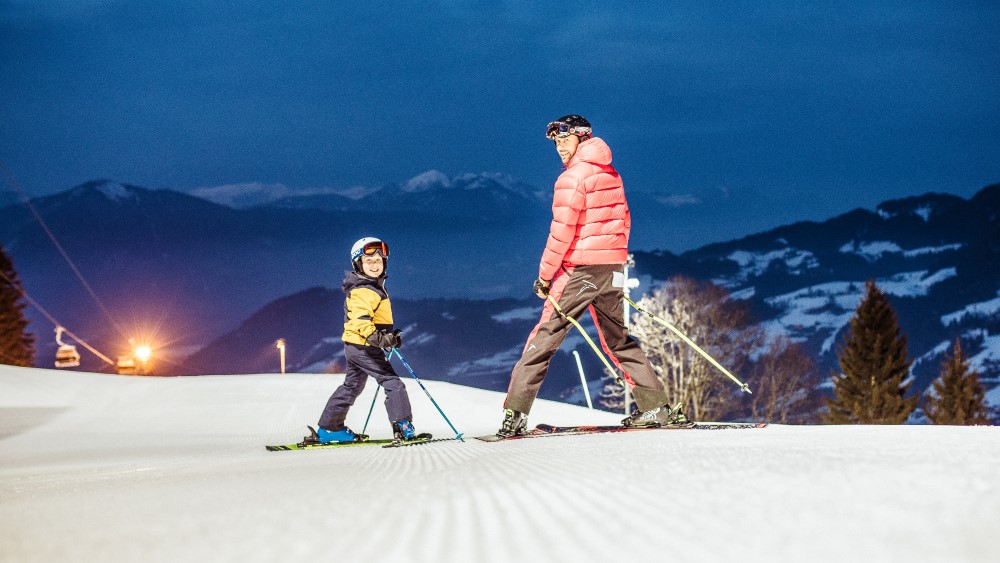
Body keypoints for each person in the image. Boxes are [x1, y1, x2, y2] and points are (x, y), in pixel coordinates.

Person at [497, 114, 690, 438]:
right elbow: (624, 220)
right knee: (618, 339)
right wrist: (614, 261)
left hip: (579, 271)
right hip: (612, 268)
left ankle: (514, 414)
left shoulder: (572, 178)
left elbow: (561, 234)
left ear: (582, 138)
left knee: (543, 340)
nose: (559, 147)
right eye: (555, 141)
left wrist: (544, 277)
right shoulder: (611, 174)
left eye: (564, 139)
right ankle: (655, 405)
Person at [308, 237, 423, 444]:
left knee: (352, 386)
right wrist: (381, 339)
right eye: (368, 261)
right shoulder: (364, 290)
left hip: (355, 346)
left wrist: (386, 337)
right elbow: (361, 322)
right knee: (392, 383)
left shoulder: (369, 287)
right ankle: (403, 426)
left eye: (378, 261)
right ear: (358, 264)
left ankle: (330, 428)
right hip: (364, 347)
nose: (374, 265)